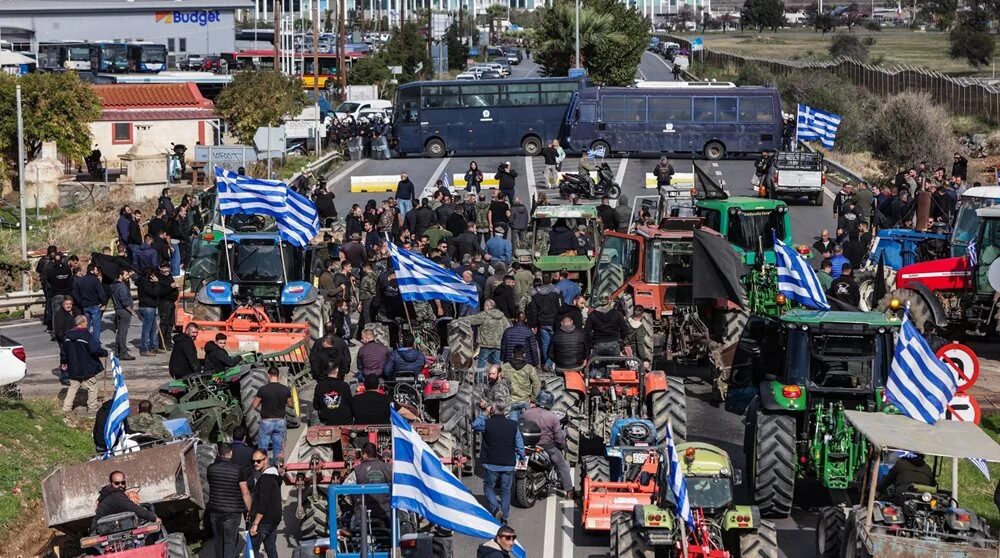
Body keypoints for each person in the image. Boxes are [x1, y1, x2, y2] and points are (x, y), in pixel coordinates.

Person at [473, 401, 524, 523]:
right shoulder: (513, 425)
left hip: (491, 464)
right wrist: (522, 456)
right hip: (508, 464)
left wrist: (484, 413)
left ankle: (496, 509)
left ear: (492, 410)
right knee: (506, 491)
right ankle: (504, 518)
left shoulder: (487, 423)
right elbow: (519, 442)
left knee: (488, 487)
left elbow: (474, 425)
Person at [520, 391, 575, 499]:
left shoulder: (526, 413)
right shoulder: (552, 417)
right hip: (547, 447)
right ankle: (569, 492)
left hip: (527, 445)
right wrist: (562, 444)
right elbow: (558, 437)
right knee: (563, 466)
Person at [206, 443, 252, 558]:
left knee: (218, 541)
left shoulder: (211, 469)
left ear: (218, 454)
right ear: (231, 453)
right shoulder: (238, 470)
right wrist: (251, 510)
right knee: (229, 542)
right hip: (232, 512)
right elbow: (245, 492)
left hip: (215, 510)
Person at [61, 315, 107, 414]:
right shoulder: (86, 335)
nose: (87, 323)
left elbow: (63, 352)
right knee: (92, 387)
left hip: (73, 366)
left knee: (73, 386)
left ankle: (66, 407)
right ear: (82, 323)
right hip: (86, 366)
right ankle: (92, 407)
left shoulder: (67, 336)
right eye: (86, 322)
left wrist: (64, 362)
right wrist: (104, 353)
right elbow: (95, 349)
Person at [251, 367, 292, 465]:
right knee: (278, 447)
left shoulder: (263, 389)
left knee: (263, 448)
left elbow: (254, 405)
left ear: (268, 375)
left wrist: (262, 411)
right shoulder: (285, 389)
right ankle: (277, 467)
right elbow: (290, 404)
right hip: (280, 421)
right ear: (279, 376)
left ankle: (263, 468)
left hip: (266, 421)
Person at [93, 471, 159, 530]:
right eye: (116, 483)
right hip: (100, 530)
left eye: (123, 483)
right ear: (110, 483)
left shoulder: (107, 493)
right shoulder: (116, 495)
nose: (120, 485)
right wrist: (154, 518)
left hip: (105, 527)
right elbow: (134, 509)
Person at [248, 448, 282, 558]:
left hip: (264, 521)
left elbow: (263, 503)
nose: (255, 464)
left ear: (266, 460)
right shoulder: (274, 476)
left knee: (253, 550)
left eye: (258, 461)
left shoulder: (265, 479)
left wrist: (255, 524)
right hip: (273, 520)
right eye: (253, 461)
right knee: (271, 548)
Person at [462, 300, 510, 371]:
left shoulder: (484, 315)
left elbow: (472, 319)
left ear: (487, 306)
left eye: (484, 306)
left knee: (481, 363)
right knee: (497, 364)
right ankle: (498, 379)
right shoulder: (502, 316)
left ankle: (479, 380)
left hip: (486, 344)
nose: (484, 308)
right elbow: (508, 328)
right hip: (498, 344)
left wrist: (460, 319)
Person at [351, 442, 393, 524]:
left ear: (364, 454)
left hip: (362, 517)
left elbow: (345, 491)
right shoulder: (389, 468)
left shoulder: (357, 470)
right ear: (376, 454)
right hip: (386, 515)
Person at [501, 347, 541, 419]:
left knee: (512, 427)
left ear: (513, 354)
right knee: (526, 427)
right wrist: (533, 399)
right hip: (525, 401)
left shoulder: (504, 367)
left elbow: (499, 382)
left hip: (510, 401)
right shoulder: (530, 368)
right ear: (524, 355)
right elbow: (537, 384)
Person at [72, 263, 106, 345]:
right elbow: (101, 293)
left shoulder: (80, 280)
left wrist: (80, 302)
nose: (97, 271)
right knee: (96, 326)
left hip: (85, 305)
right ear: (92, 270)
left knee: (86, 325)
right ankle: (95, 343)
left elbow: (75, 293)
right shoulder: (95, 280)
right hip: (95, 305)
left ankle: (85, 341)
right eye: (95, 270)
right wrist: (103, 303)